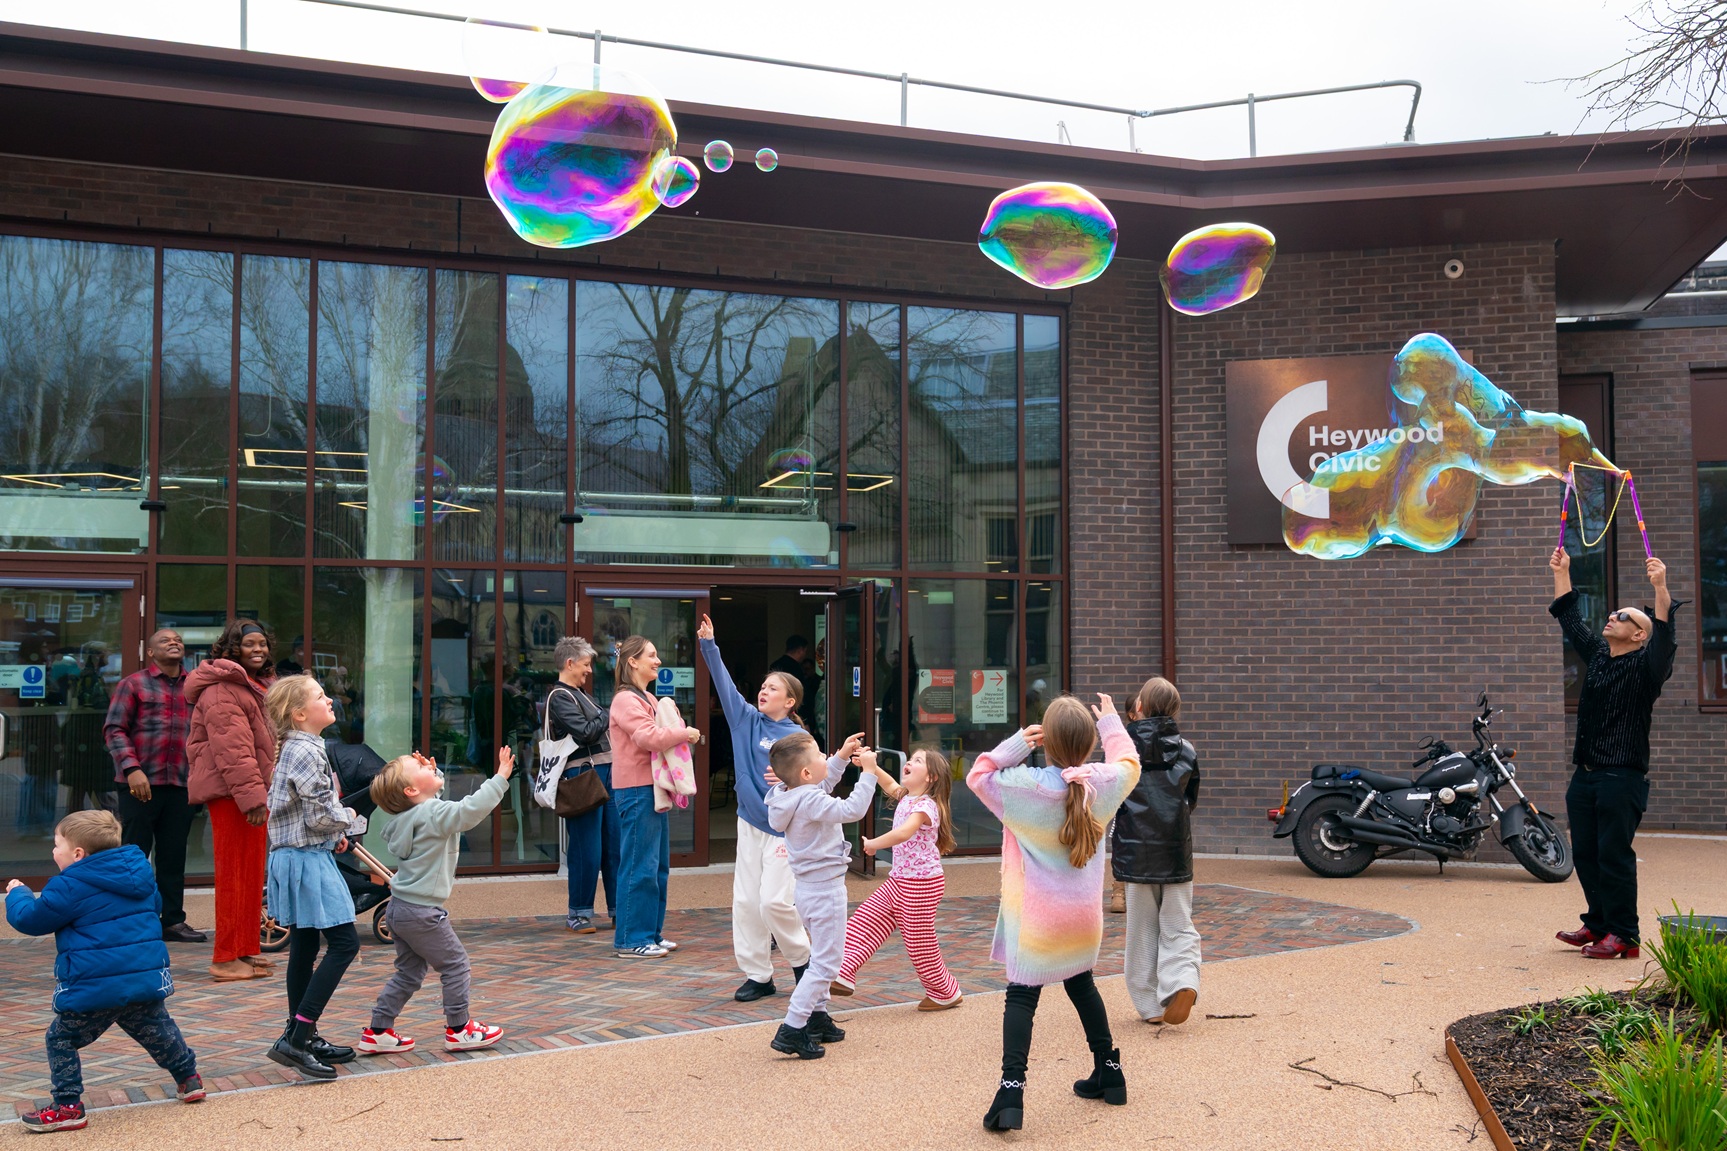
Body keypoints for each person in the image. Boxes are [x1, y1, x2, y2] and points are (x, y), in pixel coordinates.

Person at [966, 693, 1140, 1132]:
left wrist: (1016, 744)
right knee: (1082, 985)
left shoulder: (1025, 788)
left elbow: (978, 775)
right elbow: (1130, 764)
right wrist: (1112, 725)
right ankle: (1110, 1070)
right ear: (1088, 745)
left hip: (1039, 923)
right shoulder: (1102, 783)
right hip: (1084, 921)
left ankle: (1011, 1090)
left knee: (1022, 996)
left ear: (1046, 741)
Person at [6, 811, 204, 1134]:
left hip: (95, 987)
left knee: (60, 1038)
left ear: (78, 854)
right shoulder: (139, 874)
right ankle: (189, 1078)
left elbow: (30, 919)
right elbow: (153, 907)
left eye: (57, 846)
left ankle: (68, 1106)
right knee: (158, 1030)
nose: (53, 852)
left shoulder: (68, 885)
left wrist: (18, 893)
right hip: (142, 978)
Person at [1548, 547, 1678, 960]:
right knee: (1585, 852)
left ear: (1640, 634)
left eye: (1625, 617)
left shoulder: (1647, 668)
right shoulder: (1601, 657)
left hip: (1621, 776)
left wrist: (1660, 590)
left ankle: (1625, 935)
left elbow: (1665, 638)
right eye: (1613, 613)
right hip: (1585, 774)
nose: (1613, 617)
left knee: (1613, 854)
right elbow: (1571, 619)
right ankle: (1599, 924)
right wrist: (1563, 572)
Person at [358, 748, 513, 1056]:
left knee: (409, 973)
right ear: (411, 789)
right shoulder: (431, 814)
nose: (426, 765)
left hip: (399, 909)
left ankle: (378, 1030)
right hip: (422, 912)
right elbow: (467, 811)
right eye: (419, 767)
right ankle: (459, 1029)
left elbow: (434, 805)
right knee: (456, 964)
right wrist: (500, 778)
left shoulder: (412, 816)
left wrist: (434, 777)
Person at [697, 613, 814, 1002]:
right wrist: (709, 645)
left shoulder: (799, 737)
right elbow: (724, 684)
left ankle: (803, 964)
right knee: (746, 902)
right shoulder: (744, 719)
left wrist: (789, 781)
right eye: (762, 686)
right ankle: (759, 976)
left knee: (774, 901)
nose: (763, 691)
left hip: (784, 829)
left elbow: (818, 778)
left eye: (773, 688)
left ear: (790, 700)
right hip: (748, 824)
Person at [260, 675, 364, 1080]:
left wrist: (334, 833)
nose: (330, 699)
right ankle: (298, 1037)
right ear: (299, 713)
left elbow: (307, 814)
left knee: (304, 944)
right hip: (305, 861)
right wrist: (349, 821)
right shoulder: (306, 752)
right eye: (321, 697)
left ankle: (302, 1032)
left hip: (298, 855)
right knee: (344, 944)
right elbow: (322, 813)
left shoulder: (298, 747)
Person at [764, 731, 878, 1060]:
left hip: (807, 890)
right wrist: (868, 772)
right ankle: (792, 1028)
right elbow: (853, 809)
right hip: (825, 890)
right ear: (805, 773)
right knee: (827, 965)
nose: (825, 758)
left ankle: (817, 1018)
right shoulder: (810, 798)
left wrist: (841, 756)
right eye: (820, 755)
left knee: (820, 957)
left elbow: (823, 784)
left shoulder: (791, 795)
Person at [833, 746, 962, 1011]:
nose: (910, 762)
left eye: (917, 761)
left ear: (931, 777)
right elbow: (888, 782)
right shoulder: (907, 796)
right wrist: (869, 767)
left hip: (922, 885)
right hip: (899, 880)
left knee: (919, 944)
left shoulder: (927, 806)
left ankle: (945, 992)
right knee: (865, 920)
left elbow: (904, 833)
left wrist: (873, 844)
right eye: (911, 759)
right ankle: (843, 972)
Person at [185, 618, 278, 983]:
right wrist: (253, 797)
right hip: (234, 794)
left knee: (251, 874)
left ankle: (244, 950)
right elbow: (233, 750)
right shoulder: (222, 690)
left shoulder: (253, 685)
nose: (258, 649)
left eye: (263, 643)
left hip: (249, 791)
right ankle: (224, 958)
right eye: (249, 643)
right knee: (233, 874)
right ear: (232, 648)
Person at [104, 628, 207, 944]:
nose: (174, 643)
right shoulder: (133, 684)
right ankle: (128, 922)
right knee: (133, 856)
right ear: (150, 652)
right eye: (165, 640)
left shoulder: (196, 688)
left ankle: (173, 922)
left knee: (173, 857)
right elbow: (115, 730)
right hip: (139, 784)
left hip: (180, 783)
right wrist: (132, 769)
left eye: (178, 639)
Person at [1114, 676, 1202, 1024]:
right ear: (1175, 709)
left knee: (1141, 929)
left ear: (1140, 708)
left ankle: (1150, 1006)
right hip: (1175, 848)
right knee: (1179, 923)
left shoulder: (1121, 750)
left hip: (1135, 850)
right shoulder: (1188, 749)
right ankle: (1182, 981)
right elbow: (1189, 800)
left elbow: (1114, 796)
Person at [608, 636, 701, 959]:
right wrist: (684, 733)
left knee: (656, 866)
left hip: (649, 790)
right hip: (636, 790)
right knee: (639, 865)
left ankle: (649, 933)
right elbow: (648, 737)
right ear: (632, 661)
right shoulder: (625, 700)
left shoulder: (644, 697)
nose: (658, 660)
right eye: (652, 654)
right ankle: (632, 939)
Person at [546, 637, 617, 935]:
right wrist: (608, 712)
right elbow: (587, 732)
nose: (589, 670)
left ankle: (617, 909)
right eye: (586, 664)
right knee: (587, 847)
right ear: (569, 663)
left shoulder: (577, 694)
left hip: (604, 772)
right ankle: (579, 912)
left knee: (613, 844)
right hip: (583, 777)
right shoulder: (559, 696)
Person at [769, 634, 822, 728]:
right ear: (800, 650)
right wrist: (805, 721)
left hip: (776, 715)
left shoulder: (775, 665)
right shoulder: (796, 669)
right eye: (805, 651)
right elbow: (801, 695)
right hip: (794, 717)